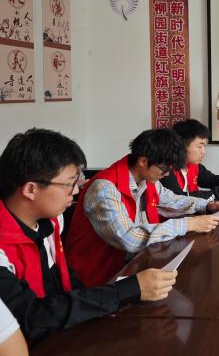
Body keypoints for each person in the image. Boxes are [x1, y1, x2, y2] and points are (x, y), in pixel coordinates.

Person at [0, 129, 176, 342]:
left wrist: (106, 304)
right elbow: (31, 316)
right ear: (31, 189)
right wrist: (126, 291)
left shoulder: (50, 222)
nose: (76, 191)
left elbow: (66, 281)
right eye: (69, 184)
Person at [66, 129, 219, 287]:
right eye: (164, 169)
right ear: (143, 161)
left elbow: (171, 199)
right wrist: (187, 224)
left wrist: (206, 205)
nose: (166, 174)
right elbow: (129, 238)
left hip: (133, 264)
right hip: (98, 278)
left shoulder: (147, 179)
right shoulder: (105, 189)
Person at [161, 119, 219, 201]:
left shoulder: (194, 166)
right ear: (181, 146)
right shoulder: (163, 169)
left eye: (204, 146)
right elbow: (178, 199)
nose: (203, 152)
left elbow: (211, 180)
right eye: (200, 146)